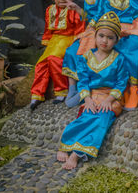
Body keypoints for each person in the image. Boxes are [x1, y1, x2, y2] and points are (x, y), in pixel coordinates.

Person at [57, 11, 129, 170]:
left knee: (103, 119)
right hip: (92, 96)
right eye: (101, 36)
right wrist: (88, 100)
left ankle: (76, 153)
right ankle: (65, 143)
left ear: (116, 40)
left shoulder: (119, 59)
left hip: (111, 97)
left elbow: (121, 83)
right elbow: (83, 82)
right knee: (88, 115)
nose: (105, 41)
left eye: (110, 38)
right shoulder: (85, 57)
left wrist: (108, 100)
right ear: (95, 37)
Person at [62, 0, 112, 108]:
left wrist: (91, 29)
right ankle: (72, 88)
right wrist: (77, 8)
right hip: (89, 29)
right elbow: (87, 16)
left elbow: (105, 13)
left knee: (86, 52)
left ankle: (88, 87)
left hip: (102, 28)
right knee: (71, 51)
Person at [30, 0, 85, 110]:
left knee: (54, 59)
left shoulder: (72, 10)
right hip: (54, 41)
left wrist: (78, 41)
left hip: (67, 39)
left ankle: (62, 91)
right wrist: (47, 41)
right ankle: (36, 94)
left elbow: (80, 26)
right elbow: (48, 28)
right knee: (41, 63)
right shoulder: (50, 10)